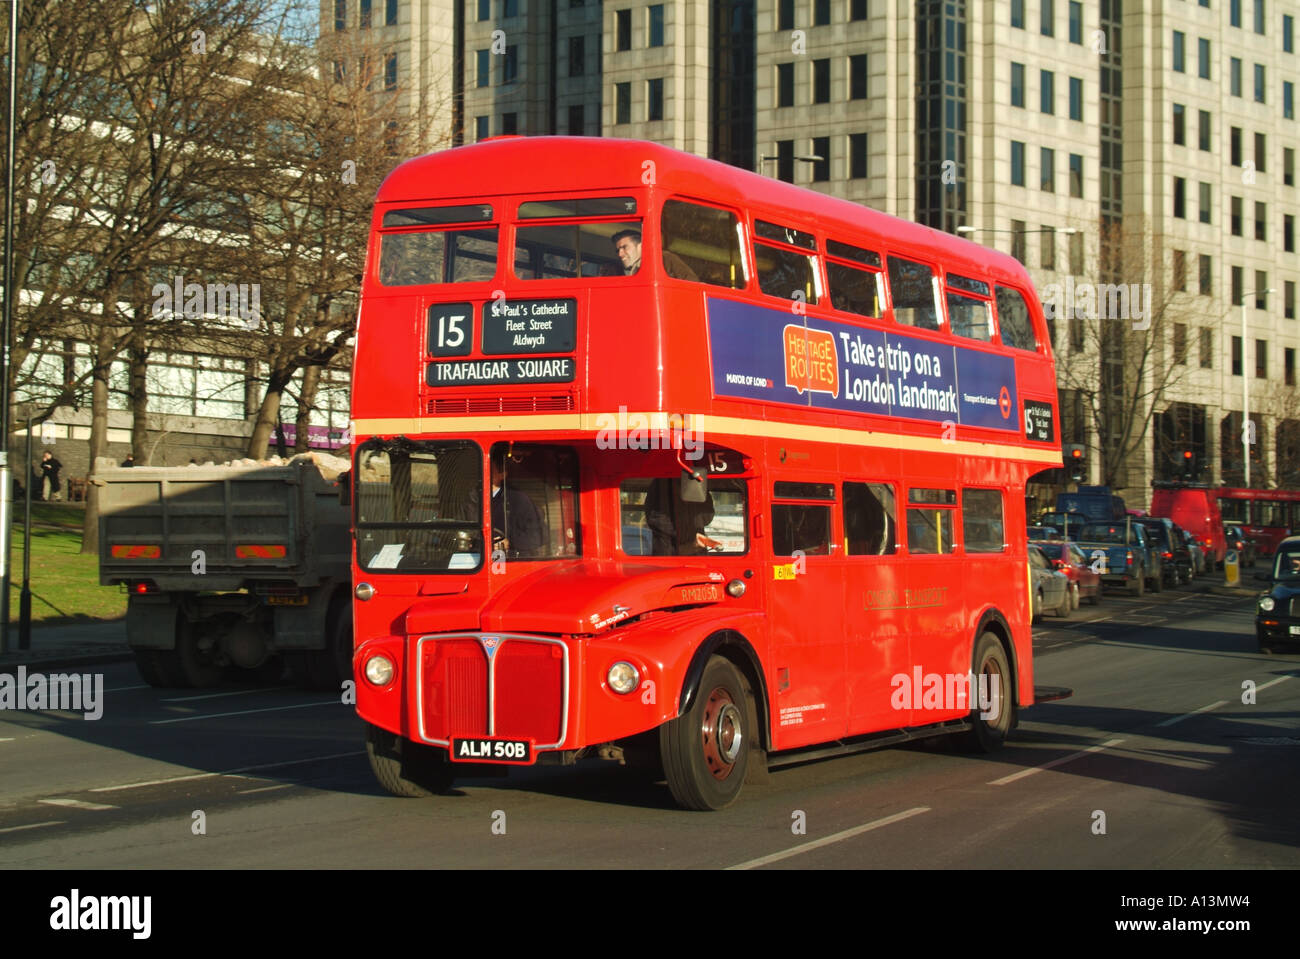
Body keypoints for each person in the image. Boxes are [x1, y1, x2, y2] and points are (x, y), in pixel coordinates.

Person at [644, 477, 720, 555]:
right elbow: (665, 556)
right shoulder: (662, 523)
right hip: (670, 564)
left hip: (700, 562)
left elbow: (707, 514)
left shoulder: (698, 514)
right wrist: (693, 545)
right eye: (679, 483)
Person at [488, 458, 543, 556]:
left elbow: (536, 537)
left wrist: (509, 542)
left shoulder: (519, 499)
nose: (485, 474)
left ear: (503, 474)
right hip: (478, 559)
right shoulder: (473, 498)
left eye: (490, 470)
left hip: (512, 559)